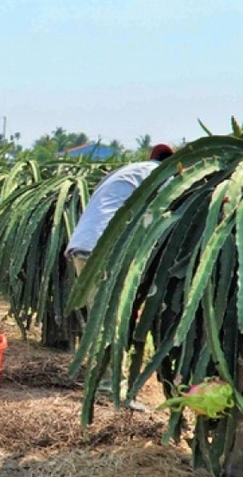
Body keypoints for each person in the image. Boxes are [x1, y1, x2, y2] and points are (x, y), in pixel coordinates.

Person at [64, 143, 174, 411]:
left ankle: (106, 385)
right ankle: (109, 392)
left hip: (86, 247)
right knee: (110, 324)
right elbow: (160, 224)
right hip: (105, 249)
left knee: (105, 320)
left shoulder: (131, 172)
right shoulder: (164, 178)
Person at [64, 143, 174, 271]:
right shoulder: (164, 175)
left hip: (83, 244)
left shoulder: (129, 170)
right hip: (106, 249)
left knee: (89, 291)